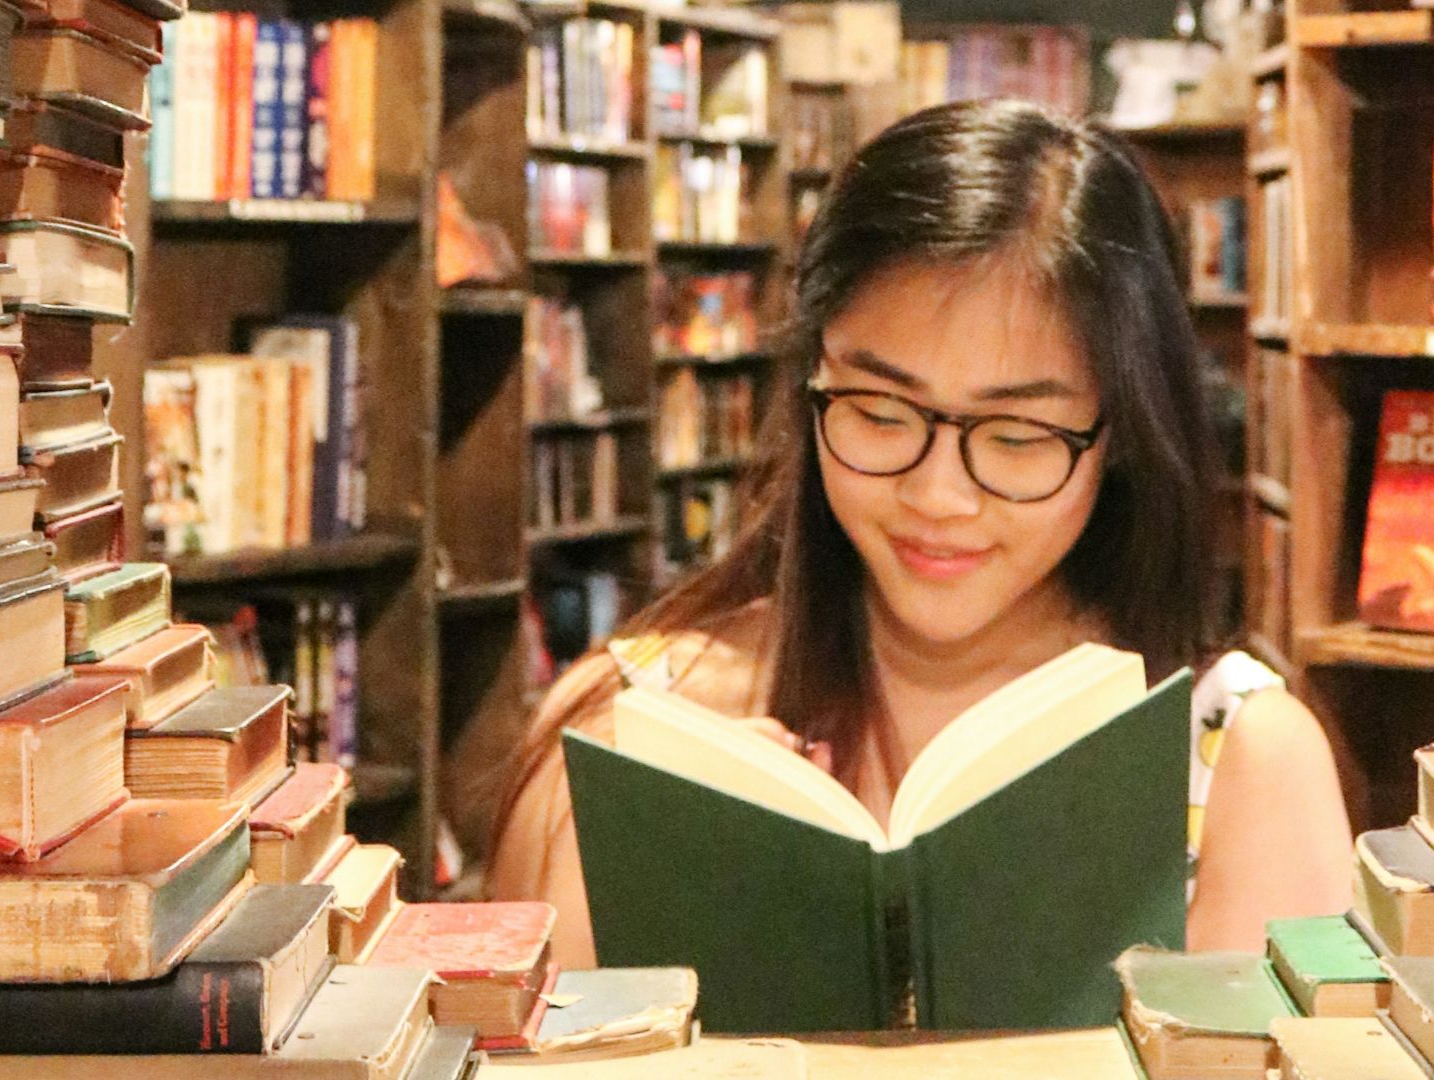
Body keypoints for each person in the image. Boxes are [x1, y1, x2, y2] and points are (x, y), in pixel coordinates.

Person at [490, 99, 1352, 969]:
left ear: (1123, 433)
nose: (939, 496)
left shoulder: (1243, 762)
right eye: (879, 412)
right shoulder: (630, 725)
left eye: (1018, 437)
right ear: (810, 385)